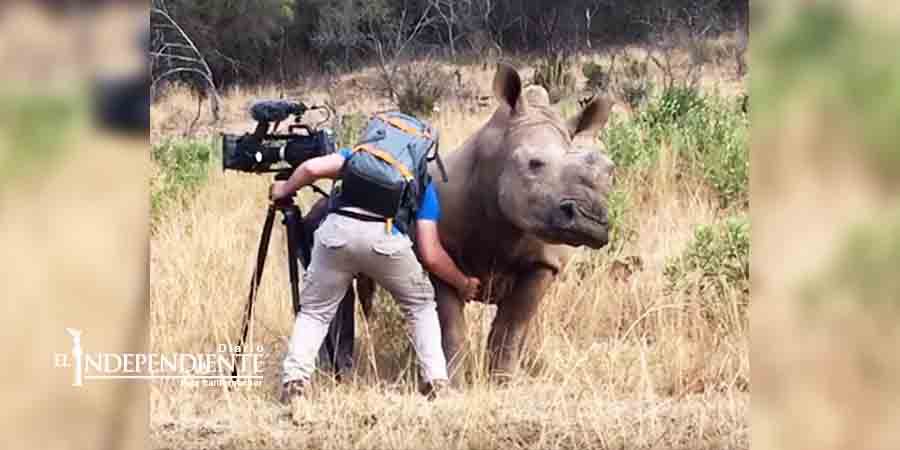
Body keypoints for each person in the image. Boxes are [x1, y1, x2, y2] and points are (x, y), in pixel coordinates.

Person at [270, 147, 480, 403]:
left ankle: (295, 383)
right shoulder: (420, 180)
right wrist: (463, 282)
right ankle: (435, 380)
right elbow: (430, 254)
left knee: (314, 312)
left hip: (337, 235)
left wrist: (284, 189)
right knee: (421, 307)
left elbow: (311, 169)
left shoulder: (357, 156)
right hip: (387, 243)